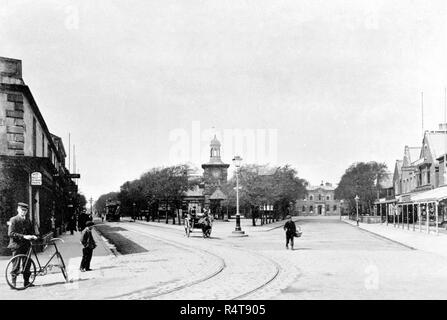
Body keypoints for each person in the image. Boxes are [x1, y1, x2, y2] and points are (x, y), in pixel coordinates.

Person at [7, 202, 38, 287]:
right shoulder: (13, 220)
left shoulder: (28, 221)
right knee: (16, 265)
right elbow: (11, 233)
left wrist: (33, 236)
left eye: (25, 210)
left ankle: (26, 282)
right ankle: (13, 283)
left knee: (27, 264)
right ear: (18, 209)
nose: (23, 212)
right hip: (16, 245)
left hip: (26, 246)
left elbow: (31, 232)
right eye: (22, 210)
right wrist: (24, 236)